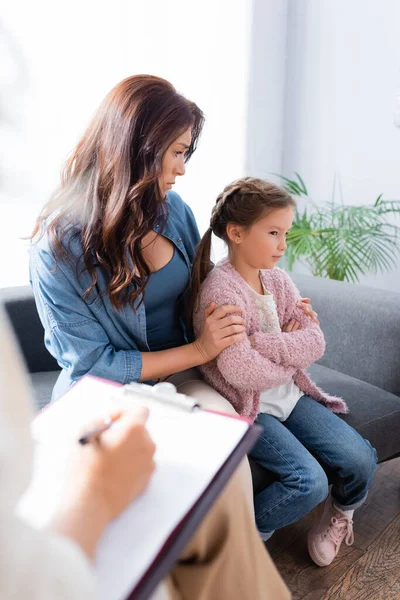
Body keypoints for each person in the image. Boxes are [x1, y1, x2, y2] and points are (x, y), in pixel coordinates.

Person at [26, 75, 292, 598]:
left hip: (186, 374)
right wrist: (198, 350)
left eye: (187, 152)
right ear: (137, 146)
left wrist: (268, 308)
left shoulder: (177, 212)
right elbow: (94, 365)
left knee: (226, 466)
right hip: (103, 392)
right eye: (175, 152)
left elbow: (207, 289)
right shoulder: (57, 246)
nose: (183, 168)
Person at [191, 177, 378, 568]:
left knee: (360, 458)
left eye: (286, 233)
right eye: (274, 233)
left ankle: (341, 511)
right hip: (251, 407)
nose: (283, 244)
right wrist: (288, 351)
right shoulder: (220, 292)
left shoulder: (277, 279)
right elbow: (240, 371)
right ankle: (245, 536)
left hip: (289, 396)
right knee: (307, 482)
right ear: (236, 232)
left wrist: (262, 344)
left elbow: (316, 340)